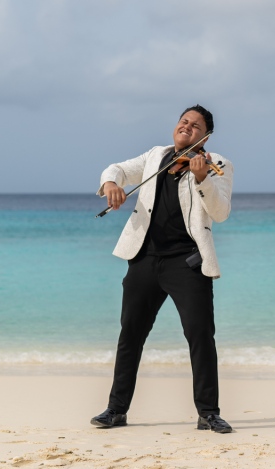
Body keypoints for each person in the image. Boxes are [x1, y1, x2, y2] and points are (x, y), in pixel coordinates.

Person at [91, 105, 234, 434]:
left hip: (186, 262)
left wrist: (201, 179)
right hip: (144, 258)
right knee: (131, 335)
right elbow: (118, 169)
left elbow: (220, 211)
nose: (187, 127)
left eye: (196, 126)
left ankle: (208, 413)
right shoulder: (157, 156)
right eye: (184, 121)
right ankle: (116, 409)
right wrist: (111, 183)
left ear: (205, 136)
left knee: (200, 335)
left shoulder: (217, 165)